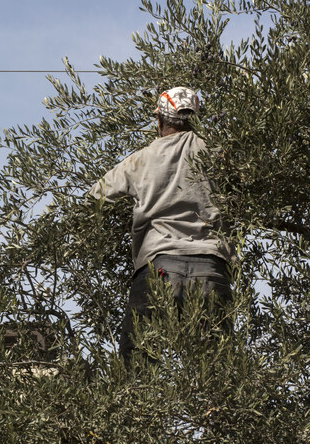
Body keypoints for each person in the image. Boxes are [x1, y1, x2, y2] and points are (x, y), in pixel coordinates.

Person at [88, 86, 236, 363]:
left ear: (159, 120)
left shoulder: (141, 159)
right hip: (211, 268)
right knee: (220, 374)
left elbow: (97, 195)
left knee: (139, 369)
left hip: (159, 267)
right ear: (194, 117)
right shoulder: (216, 154)